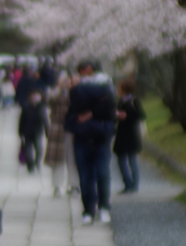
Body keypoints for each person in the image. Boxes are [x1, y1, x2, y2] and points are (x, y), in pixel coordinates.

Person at [65, 60, 117, 224]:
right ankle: (89, 209)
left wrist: (90, 113)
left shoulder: (104, 87)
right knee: (86, 176)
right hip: (84, 136)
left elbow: (108, 109)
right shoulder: (81, 90)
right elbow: (75, 110)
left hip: (99, 136)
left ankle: (102, 207)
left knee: (101, 173)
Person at [114, 77, 145, 194]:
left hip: (131, 133)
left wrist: (127, 115)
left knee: (132, 160)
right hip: (121, 133)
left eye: (120, 87)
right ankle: (127, 182)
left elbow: (140, 115)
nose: (118, 89)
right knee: (121, 159)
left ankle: (134, 184)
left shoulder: (134, 101)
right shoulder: (120, 101)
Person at [45, 76, 72, 196]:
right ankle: (57, 185)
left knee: (72, 159)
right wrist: (59, 88)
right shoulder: (55, 93)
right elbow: (50, 100)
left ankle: (74, 185)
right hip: (57, 128)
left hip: (73, 128)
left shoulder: (76, 92)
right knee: (57, 160)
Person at [18, 89, 48, 173]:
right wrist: (20, 132)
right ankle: (30, 165)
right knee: (28, 149)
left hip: (38, 131)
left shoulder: (41, 107)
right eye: (33, 96)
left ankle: (37, 162)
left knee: (39, 148)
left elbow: (45, 120)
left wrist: (47, 130)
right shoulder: (26, 107)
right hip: (27, 131)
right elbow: (22, 120)